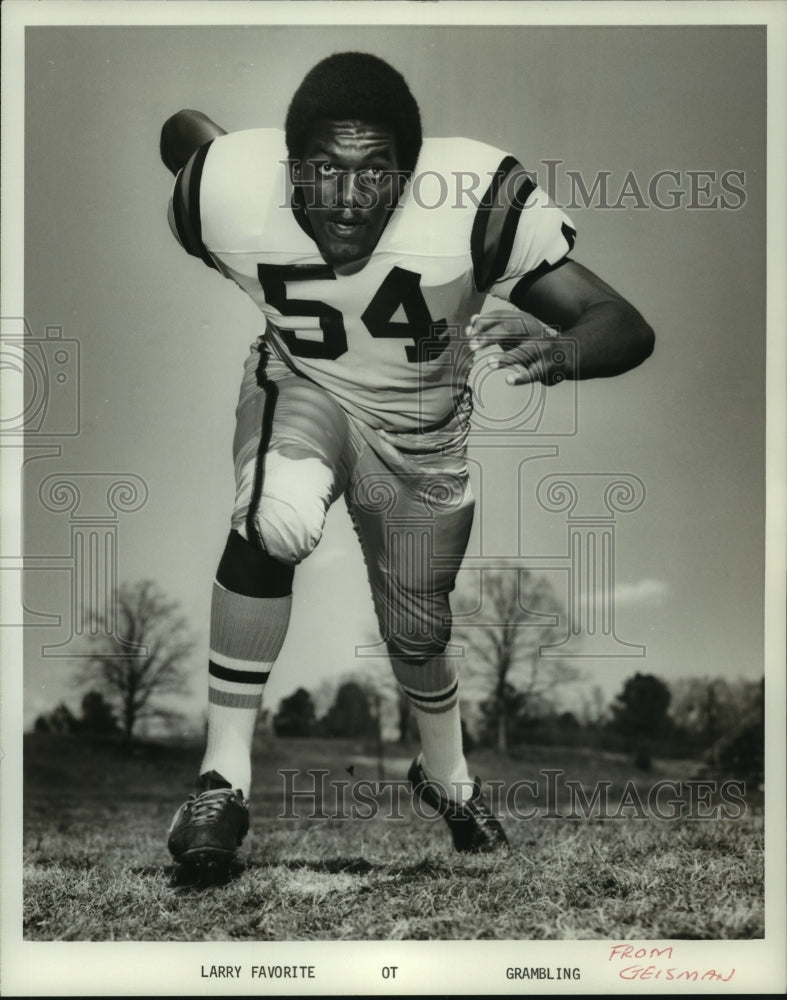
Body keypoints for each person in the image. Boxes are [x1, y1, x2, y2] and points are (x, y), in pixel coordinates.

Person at [162, 52, 654, 867]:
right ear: (285, 168)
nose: (348, 200)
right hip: (306, 388)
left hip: (425, 444)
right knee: (275, 518)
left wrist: (560, 352)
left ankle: (449, 779)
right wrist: (213, 155)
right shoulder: (226, 192)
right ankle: (221, 780)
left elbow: (623, 323)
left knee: (418, 629)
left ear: (412, 177)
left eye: (374, 172)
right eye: (321, 168)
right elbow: (187, 141)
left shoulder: (469, 206)